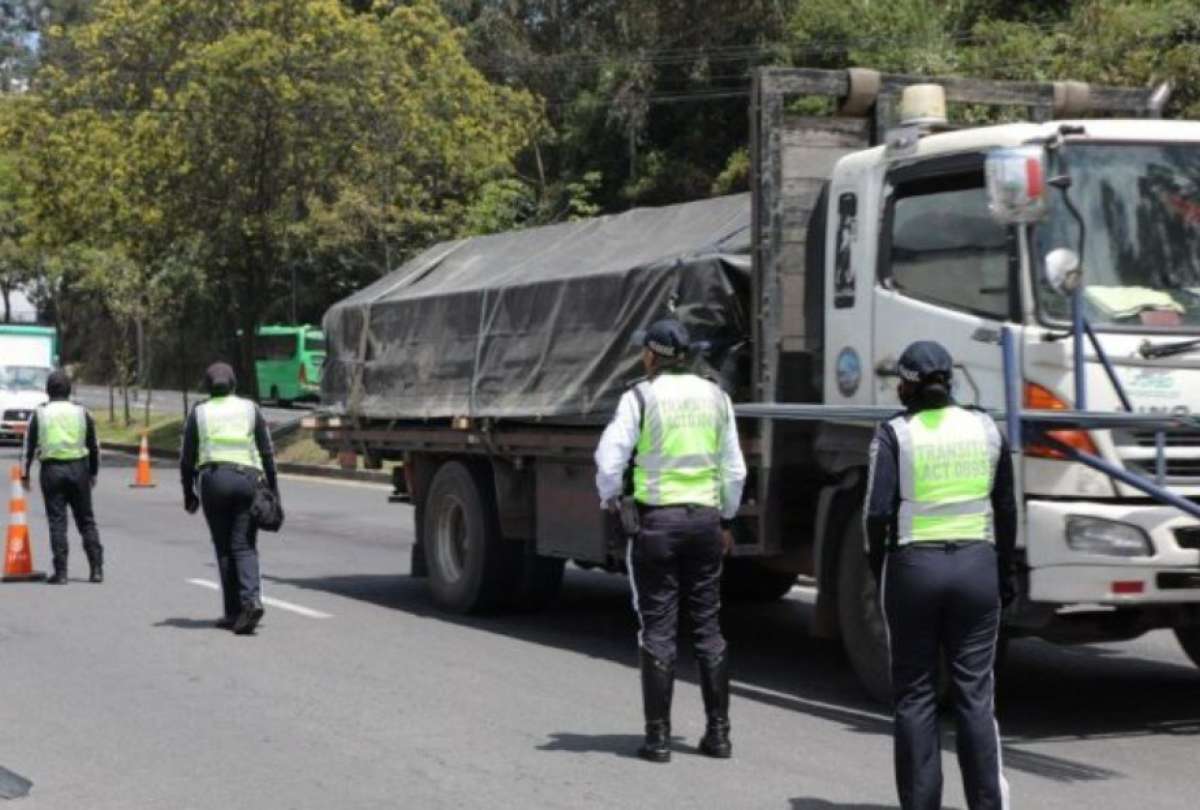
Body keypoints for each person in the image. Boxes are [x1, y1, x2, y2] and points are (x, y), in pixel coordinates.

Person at [864, 340, 1017, 810]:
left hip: (914, 571)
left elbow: (876, 513)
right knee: (975, 694)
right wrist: (1004, 571)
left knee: (915, 694)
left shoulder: (895, 433)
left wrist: (880, 572)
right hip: (976, 568)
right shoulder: (987, 428)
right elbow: (1006, 507)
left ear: (908, 383)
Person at [594, 318, 747, 763]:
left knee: (658, 628)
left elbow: (610, 458)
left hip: (657, 524)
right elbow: (733, 469)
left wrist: (610, 497)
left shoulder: (639, 397)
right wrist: (727, 519)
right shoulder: (717, 398)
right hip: (704, 522)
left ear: (651, 355)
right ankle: (719, 736)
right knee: (708, 627)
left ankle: (658, 739)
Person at [180, 362, 279, 634]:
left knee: (224, 547)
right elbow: (267, 452)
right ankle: (252, 600)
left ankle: (233, 611)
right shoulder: (250, 408)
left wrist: (188, 493)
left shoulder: (199, 412)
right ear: (234, 383)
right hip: (248, 480)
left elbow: (187, 457)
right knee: (244, 545)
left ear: (207, 387)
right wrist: (274, 490)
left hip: (213, 481)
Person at [21, 370, 103, 585]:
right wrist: (93, 472)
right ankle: (96, 569)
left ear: (47, 391)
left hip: (52, 470)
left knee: (57, 522)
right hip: (79, 469)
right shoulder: (81, 412)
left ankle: (62, 572)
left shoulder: (40, 413)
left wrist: (25, 473)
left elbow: (28, 446)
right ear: (69, 390)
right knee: (86, 520)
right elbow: (94, 445)